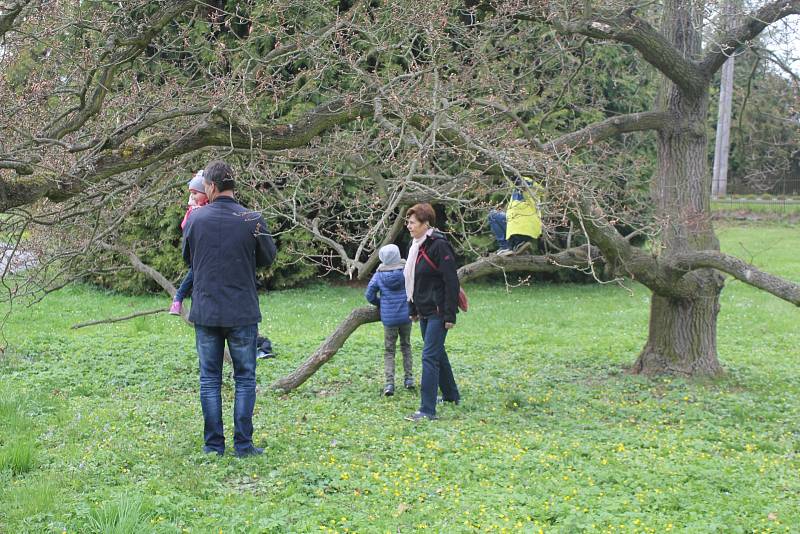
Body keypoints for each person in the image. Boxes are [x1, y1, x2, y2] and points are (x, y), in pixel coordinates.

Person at [182, 160, 277, 457]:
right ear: (232, 185)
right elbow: (268, 258)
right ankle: (243, 445)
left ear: (210, 186)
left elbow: (189, 259)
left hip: (207, 309)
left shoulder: (196, 220)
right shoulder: (252, 219)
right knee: (245, 377)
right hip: (241, 309)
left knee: (209, 378)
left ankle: (213, 446)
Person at [403, 203, 461, 422]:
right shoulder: (416, 246)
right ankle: (451, 395)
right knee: (437, 352)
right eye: (407, 222)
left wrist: (449, 315)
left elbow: (451, 281)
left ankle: (427, 410)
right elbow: (413, 280)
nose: (408, 226)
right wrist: (413, 308)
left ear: (425, 224)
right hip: (424, 309)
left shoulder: (439, 246)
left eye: (412, 222)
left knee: (429, 357)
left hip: (438, 310)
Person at [365, 243, 414, 397]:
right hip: (406, 316)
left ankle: (389, 384)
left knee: (389, 351)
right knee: (406, 346)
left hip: (389, 319)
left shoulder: (379, 275)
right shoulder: (407, 270)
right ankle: (409, 379)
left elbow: (369, 295)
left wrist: (381, 304)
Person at [169, 171, 208, 316]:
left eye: (195, 193)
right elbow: (185, 227)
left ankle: (178, 298)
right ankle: (178, 298)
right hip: (197, 253)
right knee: (193, 273)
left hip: (201, 253)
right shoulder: (195, 210)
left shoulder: (208, 207)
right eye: (191, 193)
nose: (192, 196)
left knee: (193, 274)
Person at [488, 176, 543, 256]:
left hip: (522, 225)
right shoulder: (518, 188)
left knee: (493, 215)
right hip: (520, 225)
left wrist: (519, 180)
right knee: (494, 215)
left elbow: (527, 185)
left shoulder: (527, 182)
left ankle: (508, 246)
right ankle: (514, 246)